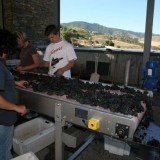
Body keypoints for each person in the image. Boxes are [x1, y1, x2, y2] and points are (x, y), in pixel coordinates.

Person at [0, 29, 27, 160]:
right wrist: (17, 108)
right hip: (2, 121)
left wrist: (15, 82)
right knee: (4, 153)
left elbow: (2, 80)